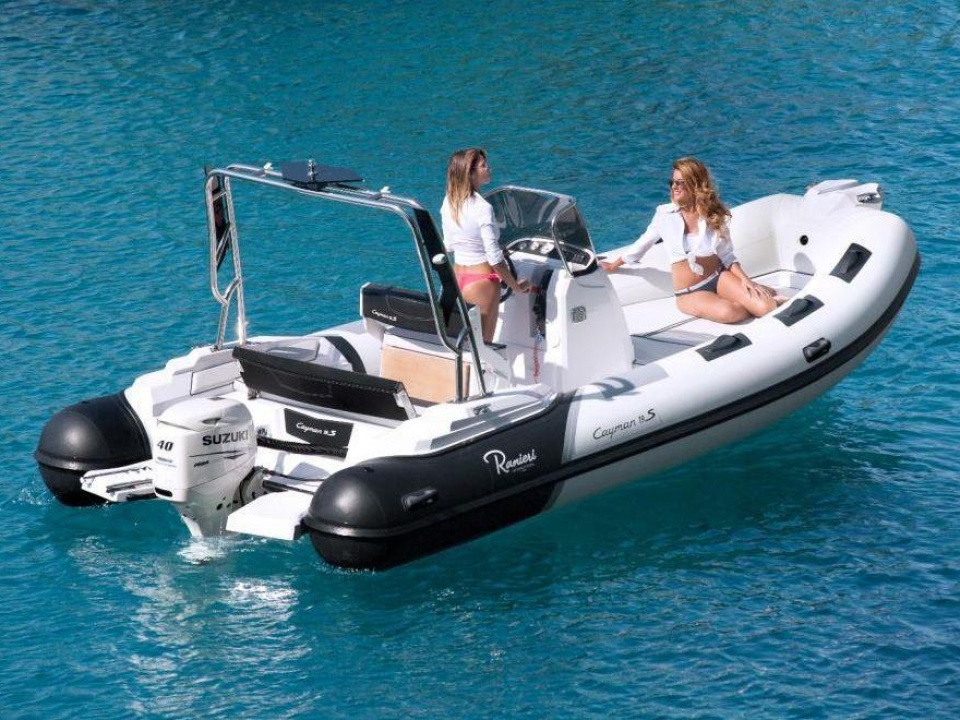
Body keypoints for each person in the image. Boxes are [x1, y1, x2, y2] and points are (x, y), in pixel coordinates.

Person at [600, 157, 780, 323]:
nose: (674, 187)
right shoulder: (664, 214)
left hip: (719, 276)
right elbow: (641, 245)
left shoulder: (713, 214)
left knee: (766, 307)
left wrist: (745, 280)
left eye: (680, 182)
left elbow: (727, 255)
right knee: (730, 312)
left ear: (695, 184)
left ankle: (753, 296)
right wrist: (613, 265)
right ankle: (751, 297)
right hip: (689, 292)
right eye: (672, 182)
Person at [441, 148, 531, 342]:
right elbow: (495, 260)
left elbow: (448, 245)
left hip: (457, 279)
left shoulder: (449, 202)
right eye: (483, 166)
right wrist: (515, 286)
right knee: (484, 346)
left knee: (464, 344)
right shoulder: (483, 208)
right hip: (482, 281)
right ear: (470, 173)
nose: (489, 168)